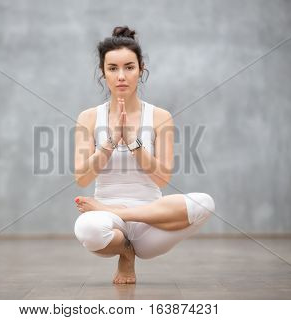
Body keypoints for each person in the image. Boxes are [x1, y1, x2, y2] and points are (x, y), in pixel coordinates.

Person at [73, 26, 215, 284]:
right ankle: (125, 251)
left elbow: (162, 180)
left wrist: (134, 144)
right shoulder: (89, 117)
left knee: (205, 203)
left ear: (141, 69)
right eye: (113, 68)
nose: (121, 76)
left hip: (151, 219)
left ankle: (126, 226)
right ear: (103, 73)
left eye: (129, 67)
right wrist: (109, 144)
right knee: (87, 229)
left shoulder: (160, 117)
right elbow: (82, 179)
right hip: (108, 221)